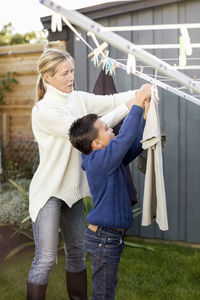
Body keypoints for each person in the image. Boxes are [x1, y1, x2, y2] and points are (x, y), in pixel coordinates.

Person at [27, 47, 151, 300]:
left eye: (71, 71)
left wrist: (142, 93)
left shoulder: (77, 98)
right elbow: (84, 133)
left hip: (71, 191)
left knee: (76, 251)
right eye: (64, 73)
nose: (71, 77)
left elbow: (109, 101)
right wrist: (133, 105)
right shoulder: (43, 111)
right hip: (48, 191)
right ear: (48, 77)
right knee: (47, 257)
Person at [69, 85, 151, 300]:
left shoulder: (107, 158)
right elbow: (123, 140)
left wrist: (144, 114)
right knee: (103, 294)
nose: (111, 129)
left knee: (106, 289)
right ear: (96, 143)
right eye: (106, 129)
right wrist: (138, 102)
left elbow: (133, 146)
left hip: (109, 237)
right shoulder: (99, 162)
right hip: (104, 238)